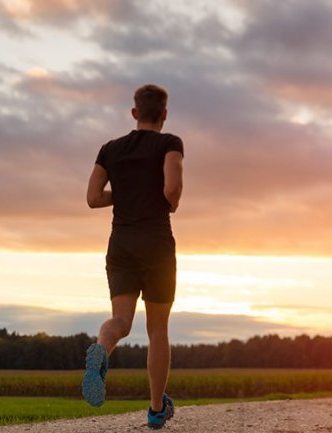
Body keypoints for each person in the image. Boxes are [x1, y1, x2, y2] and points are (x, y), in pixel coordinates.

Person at [82, 84, 184, 429]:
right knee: (157, 329)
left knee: (120, 322)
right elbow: (172, 187)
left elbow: (93, 198)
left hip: (121, 245)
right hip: (156, 244)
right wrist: (169, 199)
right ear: (164, 114)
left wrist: (125, 192)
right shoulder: (170, 143)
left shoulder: (110, 149)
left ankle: (101, 347)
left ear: (135, 113)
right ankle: (156, 409)